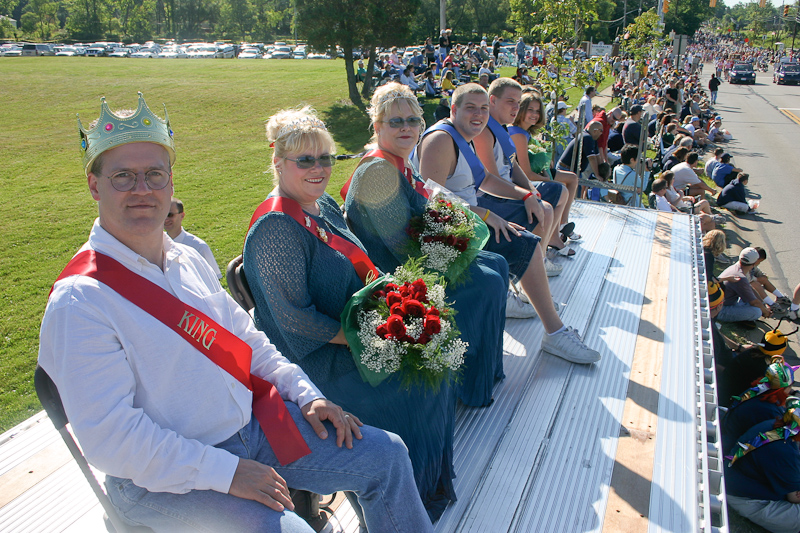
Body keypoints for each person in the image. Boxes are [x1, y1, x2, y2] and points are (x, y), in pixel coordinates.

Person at [39, 93, 431, 533]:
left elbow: (249, 340)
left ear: (171, 181)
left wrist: (307, 394)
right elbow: (112, 440)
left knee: (388, 455)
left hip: (254, 429)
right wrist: (225, 472)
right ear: (94, 185)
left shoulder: (186, 259)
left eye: (154, 174)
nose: (143, 190)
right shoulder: (81, 300)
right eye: (123, 178)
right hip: (162, 479)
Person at [243, 106, 457, 522]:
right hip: (315, 359)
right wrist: (374, 335)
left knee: (436, 361)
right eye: (305, 159)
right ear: (278, 162)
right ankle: (396, 503)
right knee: (409, 389)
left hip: (356, 330)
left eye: (325, 158)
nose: (318, 168)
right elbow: (295, 322)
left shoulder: (320, 204)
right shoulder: (274, 229)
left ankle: (423, 486)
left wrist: (396, 307)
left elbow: (355, 262)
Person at [343, 82, 509, 408]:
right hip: (391, 272)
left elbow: (427, 213)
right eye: (395, 121)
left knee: (497, 264)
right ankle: (466, 387)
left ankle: (482, 371)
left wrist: (458, 237)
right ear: (378, 127)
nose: (406, 128)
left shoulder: (402, 163)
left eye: (412, 121)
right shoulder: (378, 171)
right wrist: (455, 249)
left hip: (417, 252)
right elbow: (400, 248)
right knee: (485, 283)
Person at [413, 83, 601, 365]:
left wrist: (525, 193)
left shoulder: (463, 136)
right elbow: (431, 200)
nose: (479, 115)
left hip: (469, 217)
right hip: (449, 231)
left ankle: (526, 299)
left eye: (483, 109)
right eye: (470, 108)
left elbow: (485, 179)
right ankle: (555, 332)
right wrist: (486, 215)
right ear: (454, 109)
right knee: (524, 240)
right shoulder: (441, 140)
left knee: (531, 223)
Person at [473, 79, 570, 268]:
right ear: (492, 100)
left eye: (518, 102)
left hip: (510, 187)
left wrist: (530, 188)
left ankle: (547, 245)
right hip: (489, 196)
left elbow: (513, 164)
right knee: (546, 209)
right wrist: (525, 195)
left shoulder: (501, 128)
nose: (516, 107)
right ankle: (535, 267)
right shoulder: (485, 132)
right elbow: (493, 180)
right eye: (511, 101)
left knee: (560, 191)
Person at [724, 398, 800, 533]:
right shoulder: (784, 451)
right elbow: (794, 497)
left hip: (740, 478)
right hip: (747, 498)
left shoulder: (776, 425)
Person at [721, 356, 796, 455]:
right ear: (782, 389)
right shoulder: (770, 411)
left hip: (726, 433)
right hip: (728, 448)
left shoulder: (758, 390)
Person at [164, 197, 222, 279]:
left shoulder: (199, 247)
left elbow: (214, 278)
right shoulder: (155, 245)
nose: (165, 219)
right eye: (162, 214)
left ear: (182, 216)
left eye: (170, 215)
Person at [717, 247, 773, 323]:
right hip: (720, 310)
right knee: (757, 312)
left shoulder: (736, 268)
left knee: (756, 305)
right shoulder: (740, 278)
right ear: (754, 263)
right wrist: (765, 312)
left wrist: (763, 304)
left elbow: (749, 290)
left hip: (724, 302)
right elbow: (754, 302)